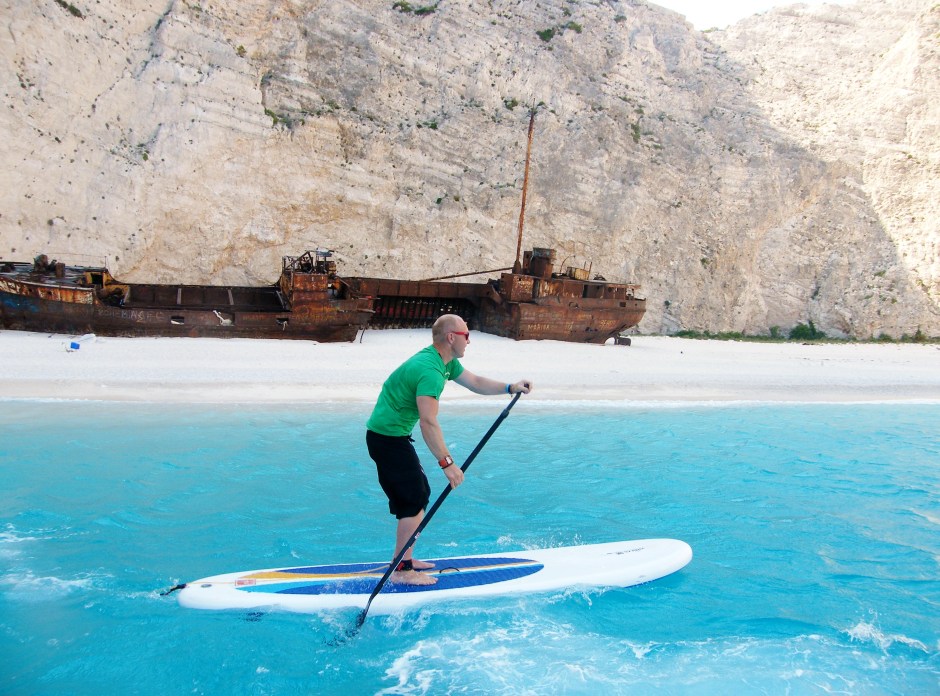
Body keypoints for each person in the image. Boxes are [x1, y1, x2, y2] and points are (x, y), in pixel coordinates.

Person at [365, 314, 532, 586]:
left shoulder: (444, 363)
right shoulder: (430, 371)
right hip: (387, 439)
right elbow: (428, 421)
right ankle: (402, 569)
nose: (469, 341)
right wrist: (448, 464)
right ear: (451, 337)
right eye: (467, 336)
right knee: (413, 499)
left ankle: (404, 557)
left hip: (392, 436)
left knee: (419, 495)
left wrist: (509, 387)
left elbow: (475, 382)